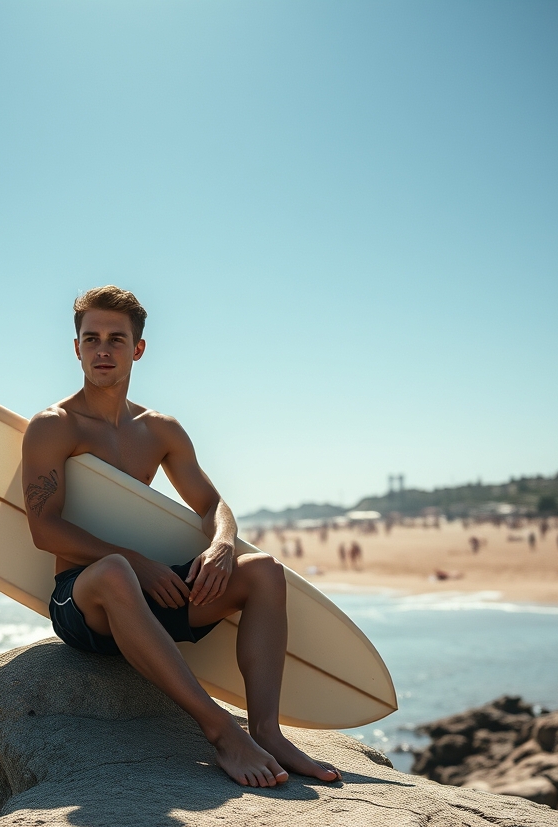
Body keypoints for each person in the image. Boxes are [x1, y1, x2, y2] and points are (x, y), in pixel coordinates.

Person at [21, 286, 340, 789]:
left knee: (265, 573)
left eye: (116, 339)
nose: (103, 350)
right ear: (76, 347)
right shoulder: (53, 426)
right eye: (92, 338)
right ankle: (219, 732)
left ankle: (266, 731)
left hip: (148, 596)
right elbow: (44, 529)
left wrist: (220, 545)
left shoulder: (159, 430)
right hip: (85, 602)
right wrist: (136, 562)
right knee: (116, 571)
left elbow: (214, 505)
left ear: (138, 349)